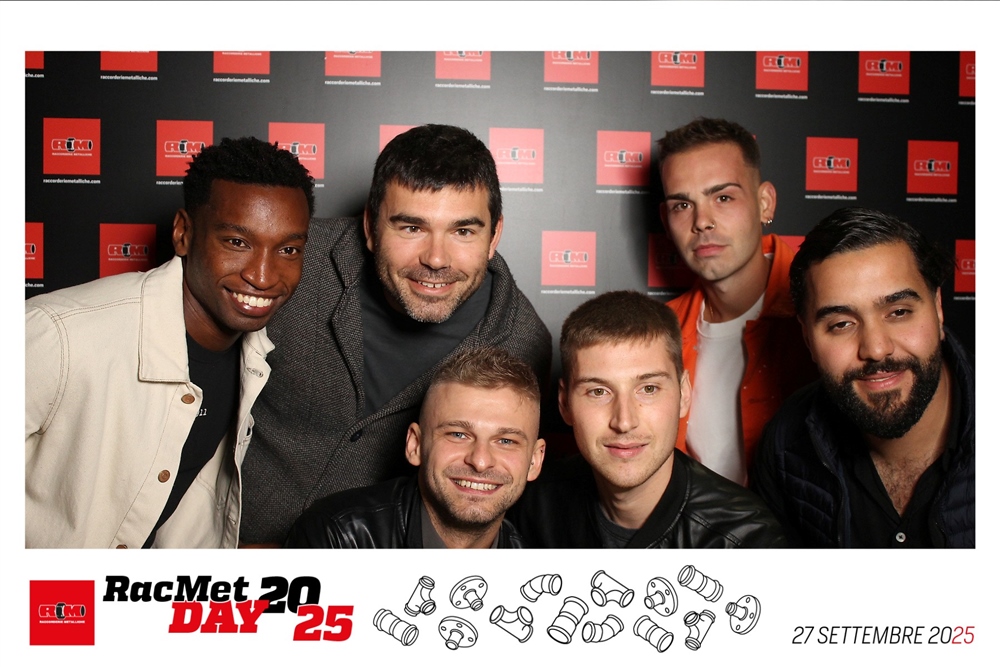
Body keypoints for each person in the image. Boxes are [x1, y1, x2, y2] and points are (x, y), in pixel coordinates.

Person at [240, 124, 551, 545]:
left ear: (493, 235)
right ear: (370, 227)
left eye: (463, 231)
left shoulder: (522, 342)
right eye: (411, 228)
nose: (436, 259)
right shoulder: (296, 262)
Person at [25, 137, 314, 548]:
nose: (263, 276)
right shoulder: (59, 333)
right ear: (183, 233)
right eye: (237, 242)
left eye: (287, 249)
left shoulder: (253, 357)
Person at [752, 208, 974, 548]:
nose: (876, 348)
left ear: (938, 309)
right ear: (808, 338)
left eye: (898, 312)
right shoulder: (785, 444)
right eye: (841, 324)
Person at [507, 291, 786, 548]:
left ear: (684, 394)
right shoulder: (532, 505)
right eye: (598, 391)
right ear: (565, 403)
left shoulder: (746, 540)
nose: (624, 422)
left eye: (649, 389)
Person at [658, 117, 815, 485]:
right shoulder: (660, 331)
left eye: (723, 197)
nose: (702, 221)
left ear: (764, 203)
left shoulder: (823, 310)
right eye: (682, 205)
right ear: (666, 220)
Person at [285, 348, 545, 548]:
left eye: (506, 441)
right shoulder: (337, 536)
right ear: (415, 445)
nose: (480, 461)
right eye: (458, 434)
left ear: (535, 460)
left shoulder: (537, 573)